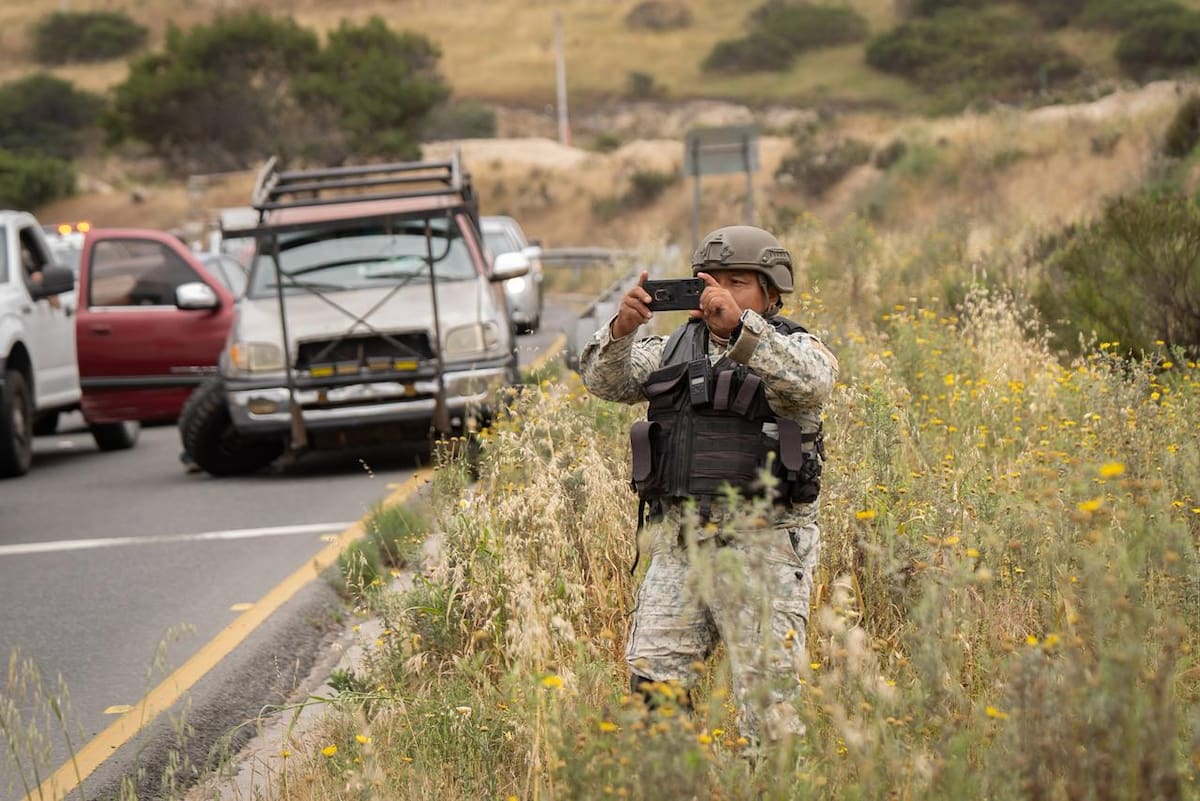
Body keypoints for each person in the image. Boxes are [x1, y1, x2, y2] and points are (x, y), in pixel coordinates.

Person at [578, 225, 838, 748]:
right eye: (708, 282)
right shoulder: (672, 349)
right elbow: (606, 382)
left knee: (768, 707)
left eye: (737, 282)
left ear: (771, 293)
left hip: (765, 544)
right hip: (682, 544)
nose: (717, 293)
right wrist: (622, 330)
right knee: (655, 688)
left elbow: (816, 381)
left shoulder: (790, 347)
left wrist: (742, 331)